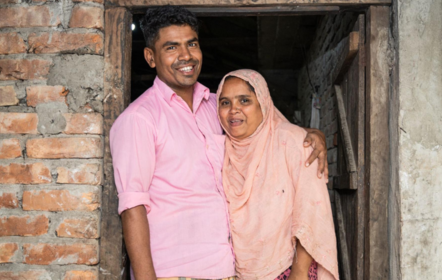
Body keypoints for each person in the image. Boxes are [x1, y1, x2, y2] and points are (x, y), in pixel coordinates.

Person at [110, 6, 329, 280]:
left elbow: (267, 127)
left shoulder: (217, 106)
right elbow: (133, 207)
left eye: (192, 44)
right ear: (150, 57)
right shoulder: (139, 119)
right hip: (174, 271)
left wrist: (310, 134)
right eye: (171, 47)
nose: (185, 56)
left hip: (227, 269)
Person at [217, 70, 338, 280]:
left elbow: (311, 212)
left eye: (244, 100)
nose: (234, 110)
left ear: (263, 103)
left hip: (289, 269)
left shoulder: (293, 141)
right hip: (237, 274)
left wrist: (298, 274)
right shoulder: (221, 151)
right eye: (225, 103)